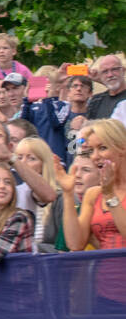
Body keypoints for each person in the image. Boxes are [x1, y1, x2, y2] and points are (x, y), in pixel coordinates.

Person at [56, 118, 126, 302]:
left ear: (122, 147)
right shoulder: (93, 194)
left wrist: (110, 194)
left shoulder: (106, 193)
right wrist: (68, 193)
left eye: (102, 148)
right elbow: (75, 244)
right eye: (92, 150)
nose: (95, 156)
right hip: (106, 294)